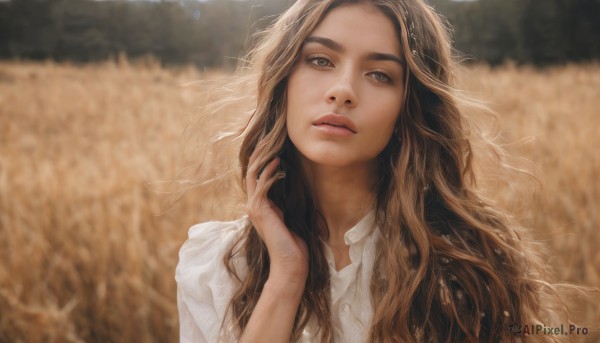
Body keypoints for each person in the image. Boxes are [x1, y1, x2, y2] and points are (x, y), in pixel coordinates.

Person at [176, 0, 572, 342]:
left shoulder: (467, 263)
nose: (343, 89)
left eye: (379, 74)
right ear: (283, 82)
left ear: (408, 108)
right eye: (320, 60)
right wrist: (286, 277)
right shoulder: (216, 265)